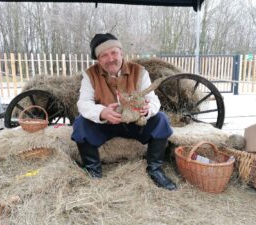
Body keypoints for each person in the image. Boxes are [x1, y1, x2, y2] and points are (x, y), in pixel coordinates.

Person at [71, 33, 177, 191]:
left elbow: (153, 99)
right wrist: (102, 112)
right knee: (80, 123)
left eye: (113, 53)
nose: (110, 58)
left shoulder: (140, 71)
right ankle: (93, 171)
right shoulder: (90, 75)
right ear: (98, 60)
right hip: (106, 123)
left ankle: (155, 170)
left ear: (121, 53)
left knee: (161, 119)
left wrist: (147, 110)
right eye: (104, 55)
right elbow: (84, 103)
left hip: (135, 123)